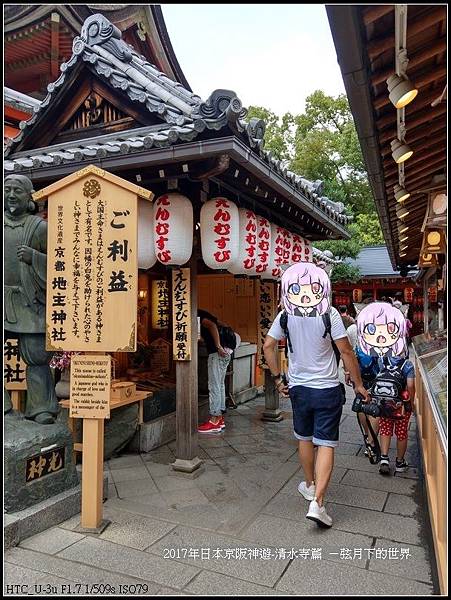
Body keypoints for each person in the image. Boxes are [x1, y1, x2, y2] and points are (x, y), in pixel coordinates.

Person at [263, 262, 370, 528]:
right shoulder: (330, 314)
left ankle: (310, 485)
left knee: (304, 438)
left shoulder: (285, 315)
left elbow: (268, 345)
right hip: (327, 388)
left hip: (299, 388)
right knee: (326, 443)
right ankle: (318, 503)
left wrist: (278, 378)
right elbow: (346, 351)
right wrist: (357, 384)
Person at [4, 174, 58, 424]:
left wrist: (34, 257)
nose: (11, 195)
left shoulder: (39, 227)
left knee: (36, 355)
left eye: (17, 191)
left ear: (29, 198)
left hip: (30, 300)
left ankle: (41, 408)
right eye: (7, 190)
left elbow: (59, 265)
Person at [197, 309, 234, 433]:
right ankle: (219, 418)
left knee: (214, 386)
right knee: (220, 385)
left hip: (217, 353)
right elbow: (223, 324)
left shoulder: (199, 315)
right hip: (226, 352)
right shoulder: (209, 315)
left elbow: (212, 326)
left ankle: (214, 420)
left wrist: (217, 346)